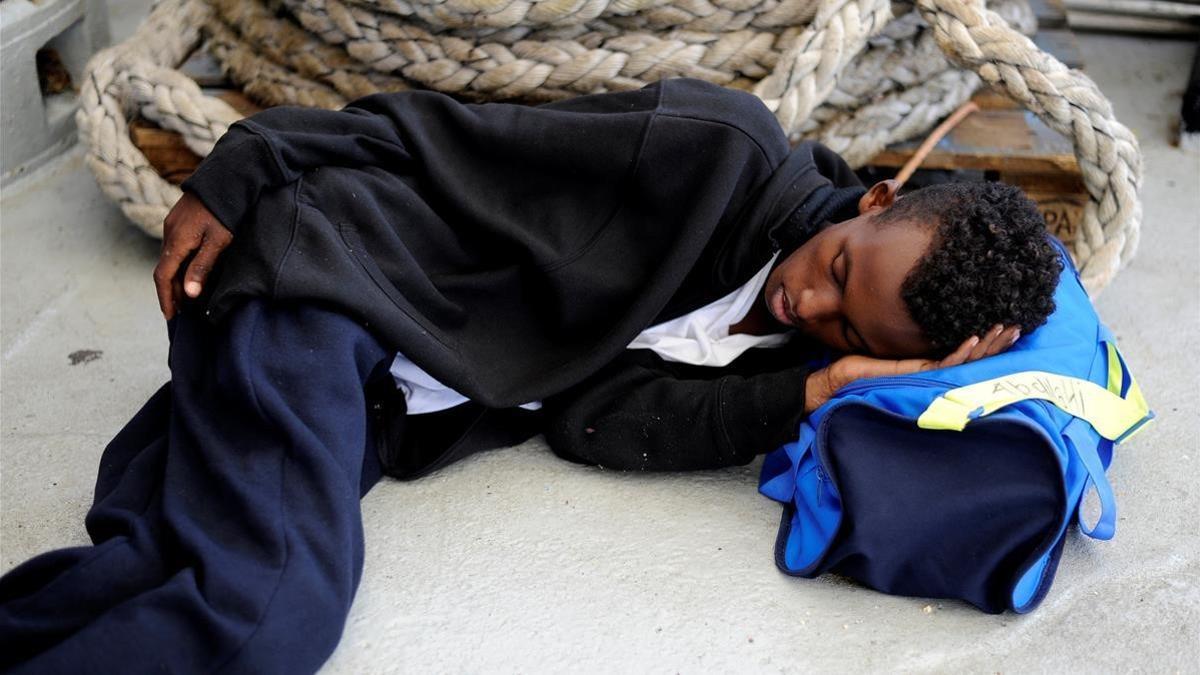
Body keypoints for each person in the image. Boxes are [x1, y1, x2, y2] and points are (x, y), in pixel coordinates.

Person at [0, 77, 1061, 673]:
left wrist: (814, 391)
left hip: (388, 387)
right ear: (876, 202)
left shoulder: (790, 352)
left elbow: (592, 422)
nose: (810, 306)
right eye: (837, 273)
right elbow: (445, 130)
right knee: (272, 613)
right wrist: (253, 160)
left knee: (164, 562)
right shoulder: (715, 146)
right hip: (330, 282)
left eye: (847, 330)